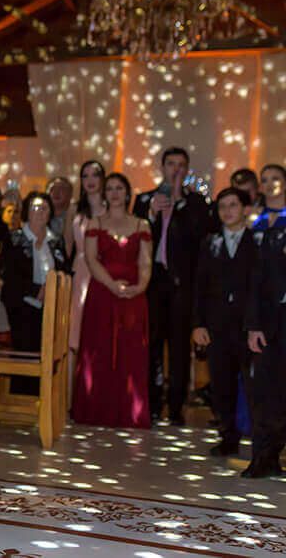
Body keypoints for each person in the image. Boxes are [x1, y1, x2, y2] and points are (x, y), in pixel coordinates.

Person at [133, 147, 209, 425]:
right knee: (152, 345)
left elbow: (198, 240)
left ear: (187, 170)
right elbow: (136, 240)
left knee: (178, 348)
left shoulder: (197, 204)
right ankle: (152, 403)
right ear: (162, 167)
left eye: (181, 165)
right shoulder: (143, 200)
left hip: (181, 285)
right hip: (152, 283)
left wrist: (178, 199)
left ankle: (176, 408)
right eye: (171, 164)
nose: (176, 169)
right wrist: (152, 213)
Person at [73, 173, 152, 429]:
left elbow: (145, 262)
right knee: (99, 350)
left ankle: (131, 411)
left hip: (133, 297)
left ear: (128, 193)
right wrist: (112, 285)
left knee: (132, 352)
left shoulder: (142, 224)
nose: (115, 193)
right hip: (102, 295)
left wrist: (139, 287)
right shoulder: (95, 222)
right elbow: (91, 259)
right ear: (105, 194)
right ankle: (95, 410)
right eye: (111, 189)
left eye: (120, 188)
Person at [191, 188, 259, 458]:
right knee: (221, 384)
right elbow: (200, 286)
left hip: (248, 326)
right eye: (223, 207)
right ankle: (228, 436)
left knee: (255, 386)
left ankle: (262, 442)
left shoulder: (257, 242)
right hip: (217, 326)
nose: (228, 211)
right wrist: (198, 324)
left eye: (233, 205)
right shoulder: (210, 242)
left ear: (245, 209)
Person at [0, 192, 68, 394]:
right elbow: (8, 274)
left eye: (44, 208)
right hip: (22, 305)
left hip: (51, 306)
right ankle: (21, 400)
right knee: (24, 352)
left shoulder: (56, 241)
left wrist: (52, 289)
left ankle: (44, 400)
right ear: (27, 212)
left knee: (46, 353)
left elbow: (65, 270)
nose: (40, 212)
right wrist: (36, 290)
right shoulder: (14, 238)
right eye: (35, 207)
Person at [244, 220, 286, 478]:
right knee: (266, 395)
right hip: (273, 327)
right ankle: (263, 457)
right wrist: (253, 326)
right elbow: (256, 282)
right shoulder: (273, 235)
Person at [65, 161, 106, 382]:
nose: (90, 180)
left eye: (95, 175)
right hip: (80, 273)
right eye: (85, 175)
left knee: (101, 332)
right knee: (76, 334)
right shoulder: (74, 209)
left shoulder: (111, 207)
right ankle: (73, 392)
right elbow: (66, 248)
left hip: (104, 272)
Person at [253, 163, 286, 232]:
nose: (269, 184)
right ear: (260, 186)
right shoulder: (254, 217)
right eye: (264, 180)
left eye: (275, 179)